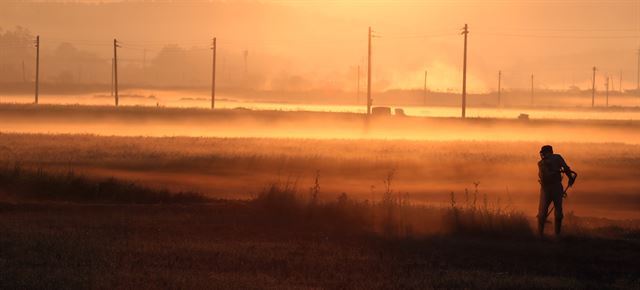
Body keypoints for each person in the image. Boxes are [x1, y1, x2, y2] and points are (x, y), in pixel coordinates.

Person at [537, 145, 575, 237]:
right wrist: (570, 178)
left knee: (542, 211)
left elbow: (541, 177)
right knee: (558, 210)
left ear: (545, 152)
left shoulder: (540, 163)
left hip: (545, 189)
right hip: (556, 187)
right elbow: (566, 168)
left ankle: (540, 234)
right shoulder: (557, 157)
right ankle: (557, 234)